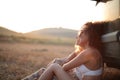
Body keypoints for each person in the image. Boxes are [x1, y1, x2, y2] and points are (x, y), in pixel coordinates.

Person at [22, 22, 104, 80]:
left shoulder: (90, 53)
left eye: (82, 33)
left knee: (54, 67)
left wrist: (63, 65)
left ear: (90, 36)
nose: (78, 36)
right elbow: (67, 60)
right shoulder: (86, 51)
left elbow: (65, 66)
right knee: (44, 70)